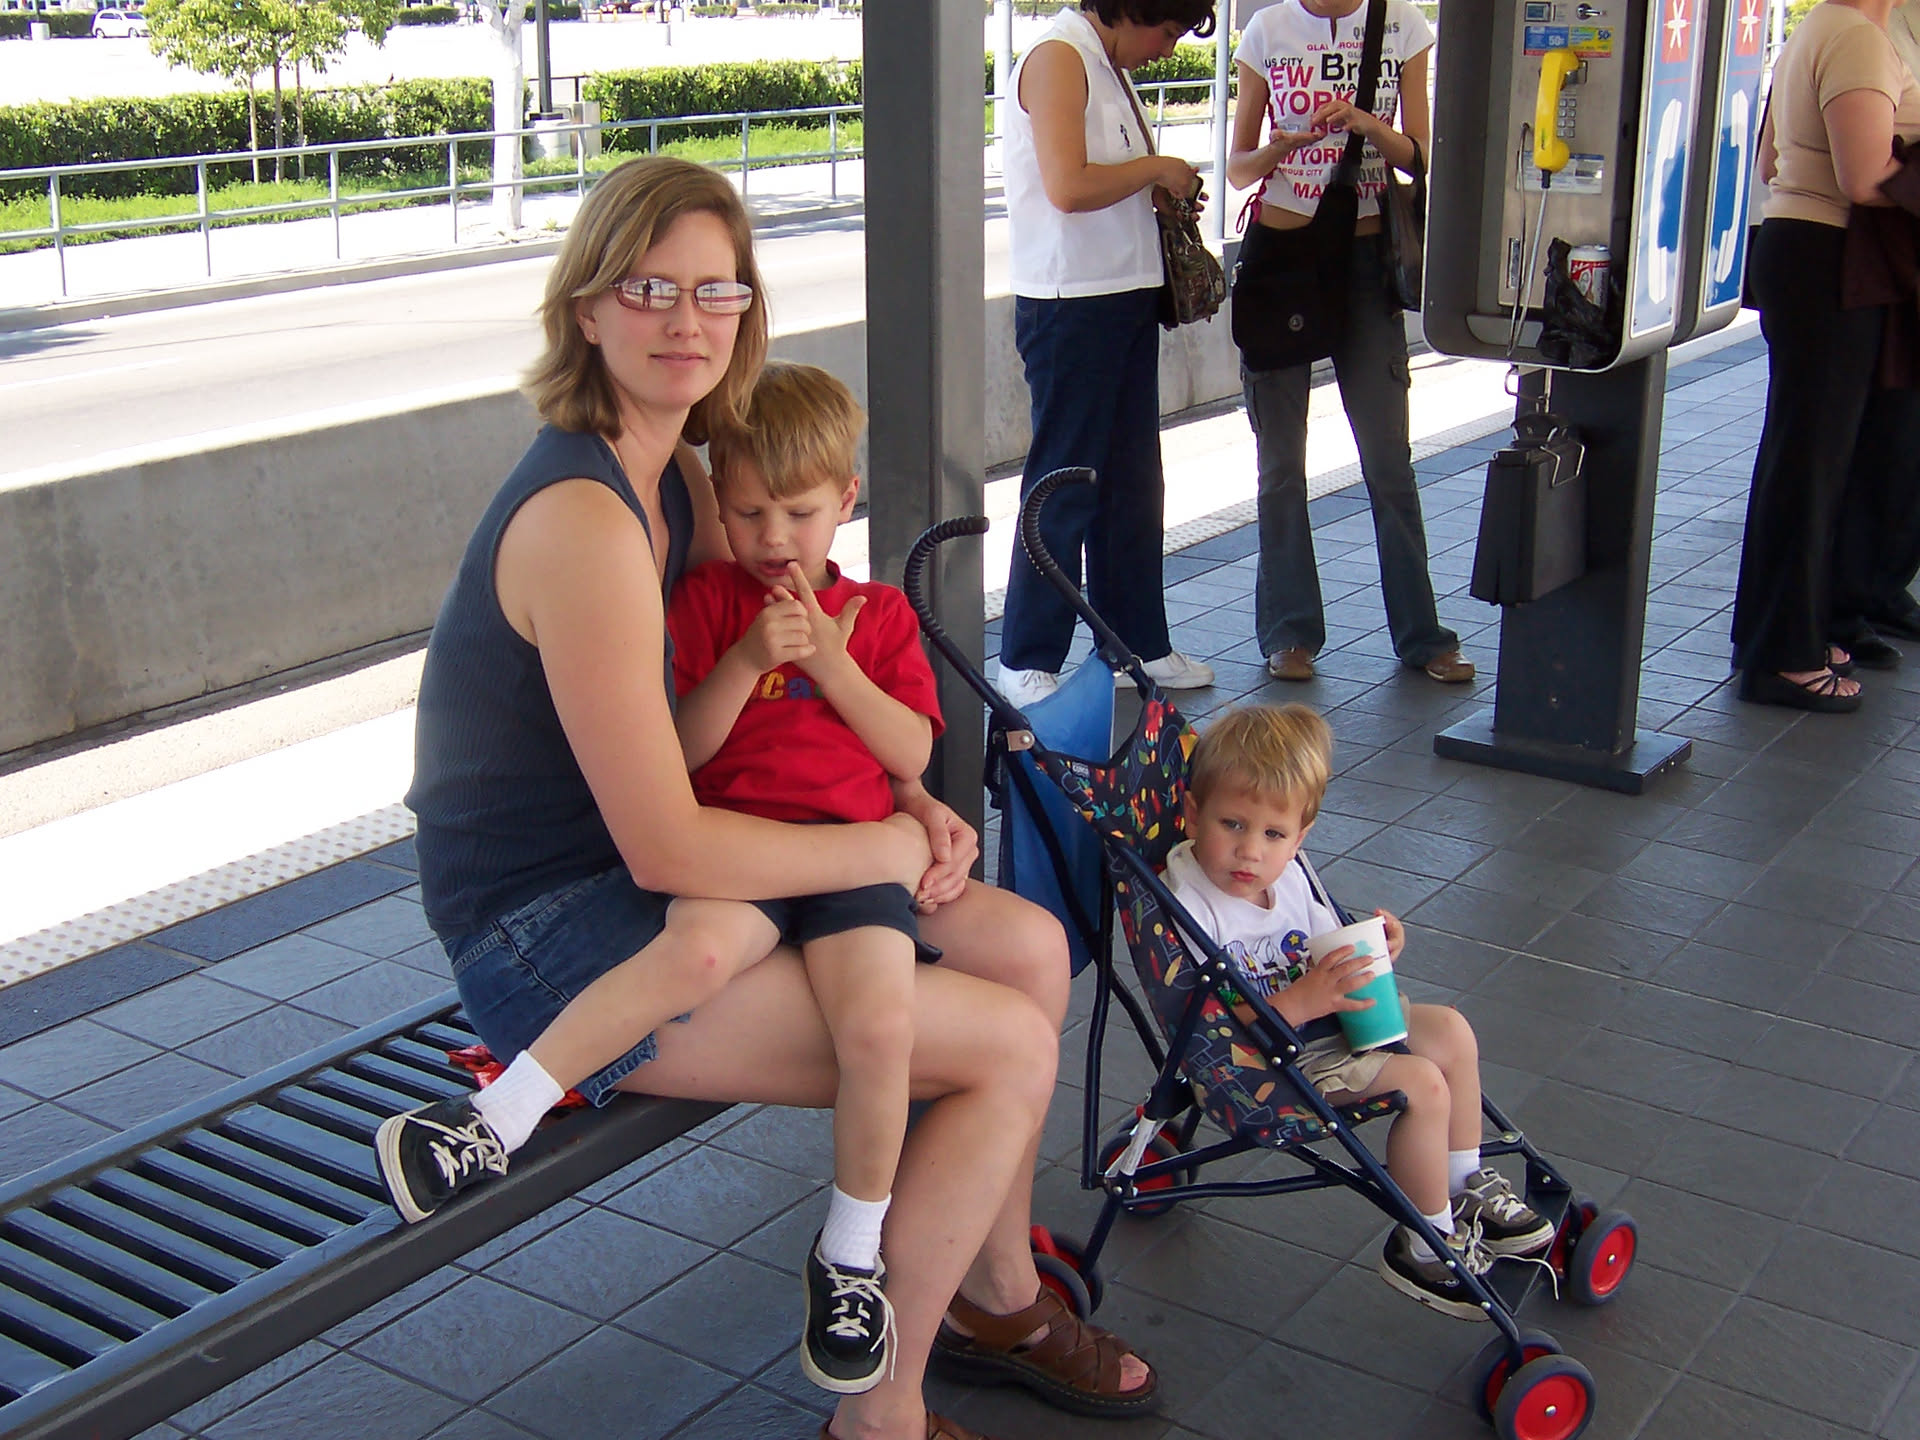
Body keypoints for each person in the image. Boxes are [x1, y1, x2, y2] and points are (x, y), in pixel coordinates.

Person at [382, 156, 1157, 1440]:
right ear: (586, 308)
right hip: (561, 931)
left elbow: (801, 674)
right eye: (649, 289)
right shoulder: (582, 520)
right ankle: (881, 1411)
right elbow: (664, 840)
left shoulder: (679, 475)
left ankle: (991, 1291)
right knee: (1010, 1048)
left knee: (1027, 947)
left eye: (716, 289)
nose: (687, 319)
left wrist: (909, 795)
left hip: (688, 865)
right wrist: (891, 841)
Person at [663, 361, 941, 1394]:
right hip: (738, 854)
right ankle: (520, 1093)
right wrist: (745, 661)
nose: (774, 537)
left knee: (881, 1028)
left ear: (846, 503)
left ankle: (851, 1250)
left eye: (799, 512)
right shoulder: (704, 603)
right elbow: (679, 756)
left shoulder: (877, 614)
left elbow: (910, 750)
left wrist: (831, 661)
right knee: (681, 960)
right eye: (748, 514)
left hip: (849, 861)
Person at [1162, 704, 1553, 1319]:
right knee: (1423, 1085)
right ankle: (1423, 1244)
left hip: (1334, 1023)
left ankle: (1462, 1183)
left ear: (1300, 838)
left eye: (1273, 835)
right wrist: (1303, 1001)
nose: (1249, 852)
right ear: (1191, 814)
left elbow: (1328, 944)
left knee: (1451, 1030)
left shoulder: (1290, 876)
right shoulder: (1191, 900)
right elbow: (1215, 1019)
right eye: (1231, 824)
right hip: (1275, 1058)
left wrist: (1375, 943)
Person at [1225, 0, 1474, 687]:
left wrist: (1368, 125)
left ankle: (1423, 636)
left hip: (1366, 260)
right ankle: (1289, 633)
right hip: (1281, 259)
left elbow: (1422, 155)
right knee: (1280, 464)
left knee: (1388, 458)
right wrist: (1279, 148)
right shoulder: (1266, 29)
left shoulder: (1402, 25)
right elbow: (1239, 167)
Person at [996, 0, 1221, 709]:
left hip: (1121, 294)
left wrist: (1157, 186)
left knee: (1132, 482)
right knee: (1064, 482)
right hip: (1070, 301)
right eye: (1168, 31)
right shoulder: (1059, 55)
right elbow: (1067, 186)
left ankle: (1134, 644)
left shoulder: (1102, 60)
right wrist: (1156, 168)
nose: (1167, 49)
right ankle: (1027, 655)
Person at [1733, 0, 1919, 711]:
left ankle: (1785, 637)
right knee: (1810, 468)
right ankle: (1784, 657)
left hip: (1808, 253)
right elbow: (1863, 176)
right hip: (1829, 259)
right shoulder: (1857, 39)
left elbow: (1771, 159)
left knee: (1807, 461)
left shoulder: (1818, 30)